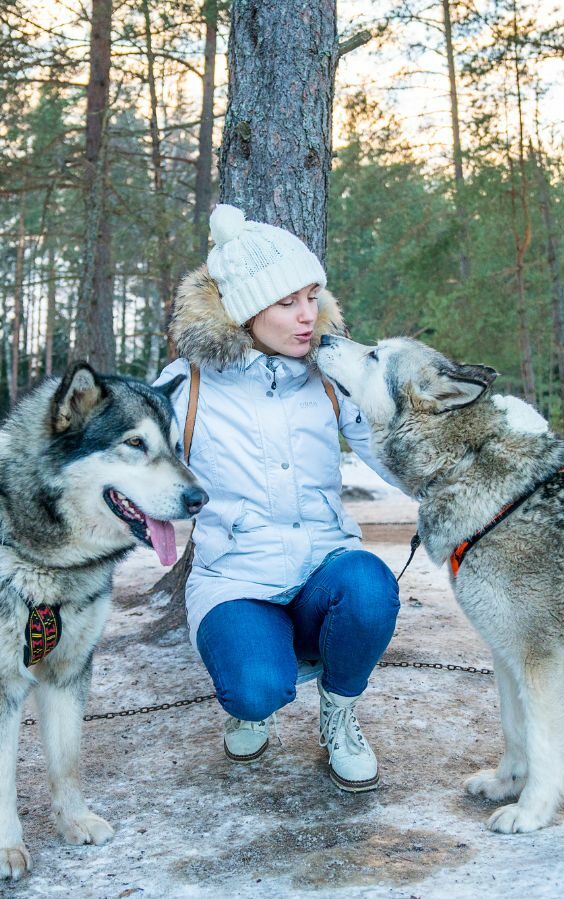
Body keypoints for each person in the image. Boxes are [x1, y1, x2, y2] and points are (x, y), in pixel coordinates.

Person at [152, 204, 402, 792]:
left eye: (312, 298)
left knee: (370, 586)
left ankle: (339, 709)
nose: (307, 317)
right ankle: (255, 687)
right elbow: (127, 465)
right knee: (256, 687)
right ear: (245, 309)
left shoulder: (334, 375)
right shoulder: (184, 385)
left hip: (323, 566)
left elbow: (399, 454)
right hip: (234, 577)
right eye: (288, 303)